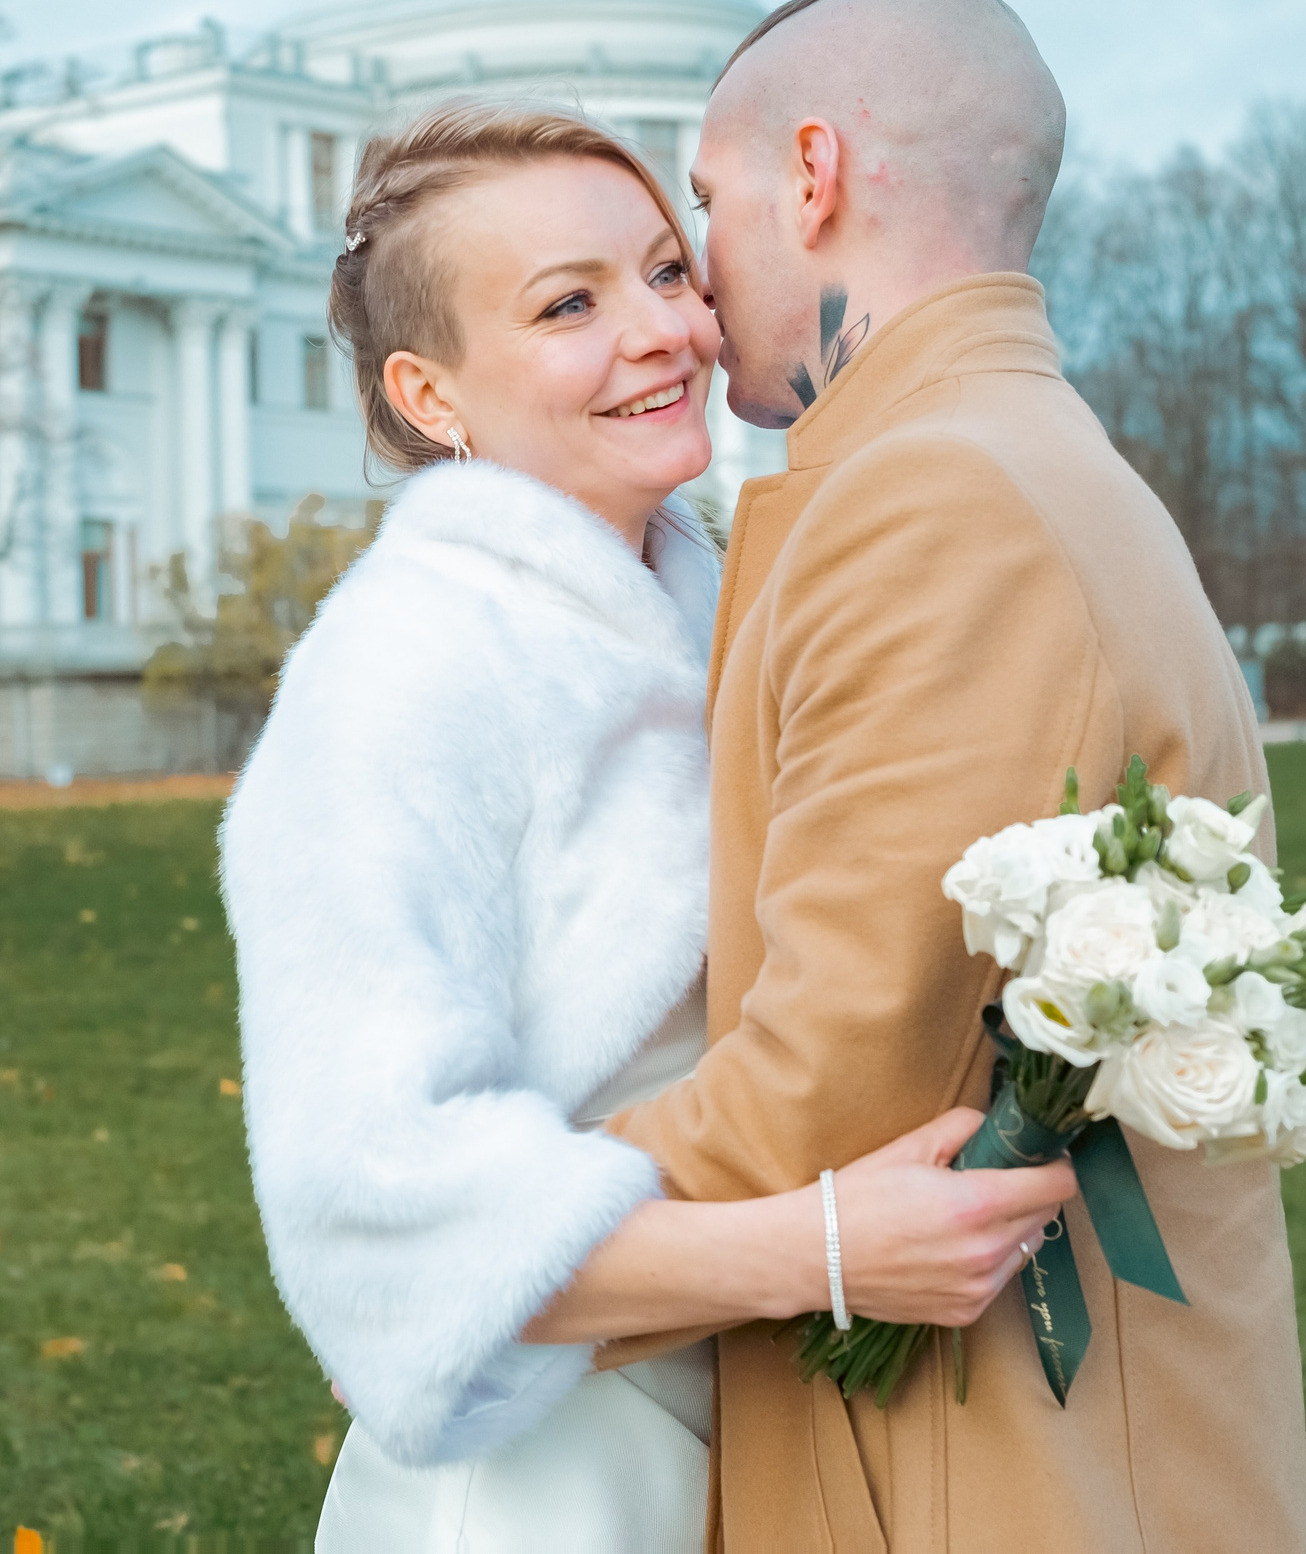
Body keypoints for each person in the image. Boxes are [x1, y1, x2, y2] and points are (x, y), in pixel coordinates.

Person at [219, 101, 1078, 1552]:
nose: (664, 330)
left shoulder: (718, 597)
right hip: (542, 1479)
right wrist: (815, 1249)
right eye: (569, 303)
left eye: (668, 272)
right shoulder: (397, 675)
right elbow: (374, 1211)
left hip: (758, 1432)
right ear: (432, 396)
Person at [601, 0, 1306, 1551]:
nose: (698, 287)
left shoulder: (941, 502)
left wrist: (471, 1244)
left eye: (706, 206)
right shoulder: (1011, 458)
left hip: (979, 1475)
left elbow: (825, 1091)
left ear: (815, 173)